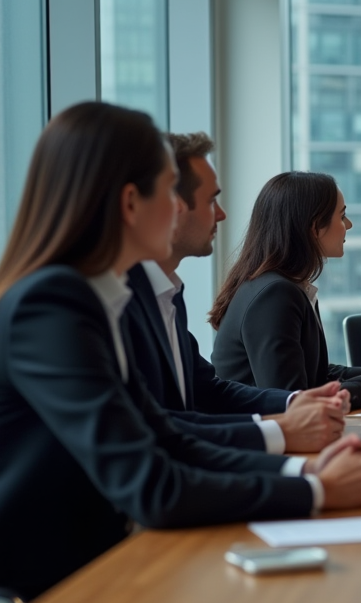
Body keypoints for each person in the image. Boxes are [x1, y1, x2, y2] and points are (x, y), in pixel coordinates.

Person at [0, 102, 361, 603]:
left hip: (102, 581)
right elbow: (151, 482)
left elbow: (161, 435)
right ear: (130, 202)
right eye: (172, 189)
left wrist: (307, 468)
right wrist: (315, 488)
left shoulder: (93, 301)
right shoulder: (51, 308)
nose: (187, 209)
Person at [124, 131, 348, 454]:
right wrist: (297, 458)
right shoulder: (120, 305)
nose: (222, 214)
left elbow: (209, 392)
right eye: (211, 200)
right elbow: (160, 434)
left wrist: (294, 403)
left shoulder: (167, 295)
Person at [210, 172, 361, 408]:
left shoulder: (287, 286)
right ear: (315, 227)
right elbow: (291, 400)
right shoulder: (275, 295)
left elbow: (312, 371)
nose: (348, 225)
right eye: (342, 215)